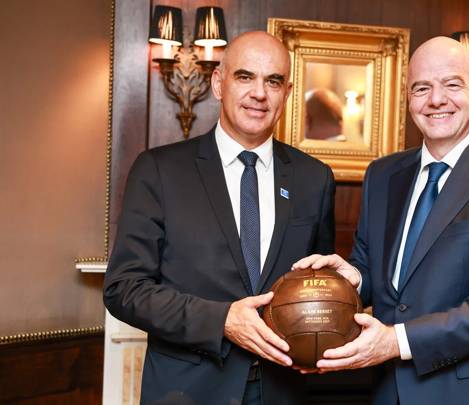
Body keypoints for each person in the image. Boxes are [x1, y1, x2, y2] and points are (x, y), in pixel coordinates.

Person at [293, 36, 469, 405]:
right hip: (391, 390)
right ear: (408, 97)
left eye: (452, 84)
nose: (436, 100)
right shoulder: (383, 175)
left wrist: (395, 341)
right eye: (422, 88)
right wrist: (354, 278)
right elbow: (378, 271)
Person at [103, 31, 336, 404]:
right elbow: (124, 289)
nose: (259, 93)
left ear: (287, 93)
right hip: (186, 391)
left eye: (273, 81)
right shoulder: (160, 170)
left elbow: (318, 284)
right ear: (218, 83)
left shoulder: (315, 179)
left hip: (281, 391)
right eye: (245, 77)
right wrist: (222, 320)